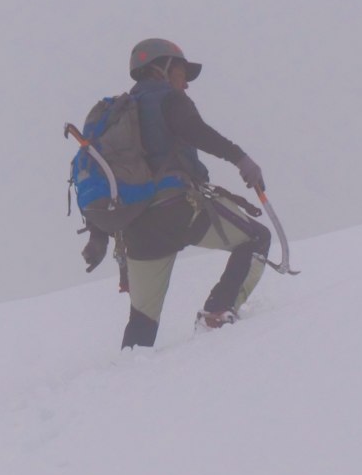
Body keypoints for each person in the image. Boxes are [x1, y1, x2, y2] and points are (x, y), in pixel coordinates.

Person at [81, 38, 271, 349]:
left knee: (142, 321)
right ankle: (217, 313)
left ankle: (124, 382)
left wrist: (98, 235)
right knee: (257, 238)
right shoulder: (168, 99)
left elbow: (106, 176)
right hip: (180, 210)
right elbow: (197, 131)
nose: (186, 84)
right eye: (182, 72)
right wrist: (240, 158)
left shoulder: (115, 118)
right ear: (164, 68)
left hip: (138, 231)